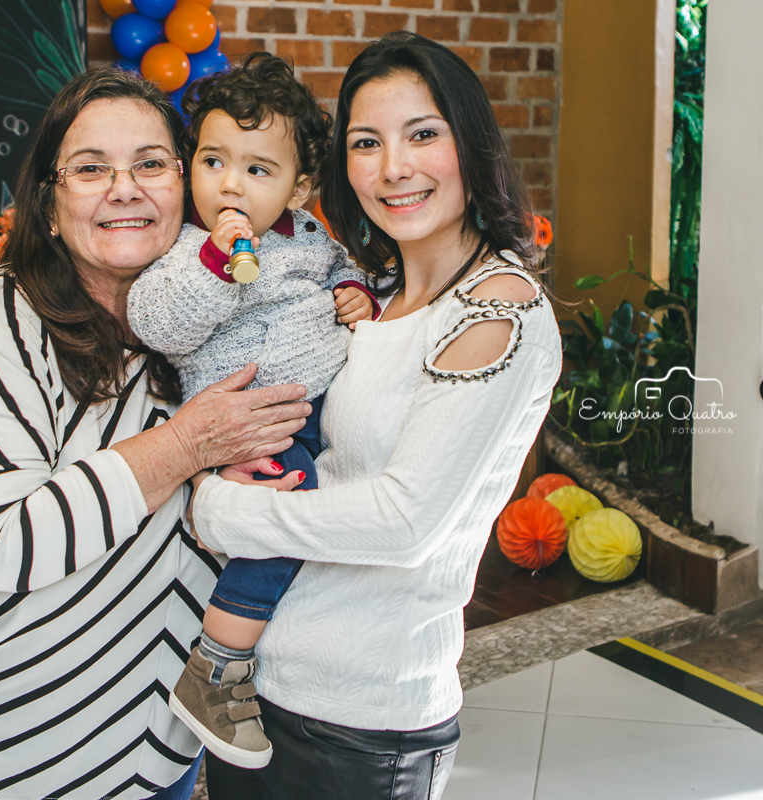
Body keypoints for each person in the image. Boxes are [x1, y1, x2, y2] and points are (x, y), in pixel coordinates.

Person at [0, 68, 311, 800]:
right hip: (4, 745)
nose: (125, 189)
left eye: (151, 164)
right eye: (90, 169)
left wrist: (222, 483)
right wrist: (184, 449)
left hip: (161, 741)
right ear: (50, 207)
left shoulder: (226, 312)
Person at [195, 32, 563, 800]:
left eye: (422, 134)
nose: (393, 167)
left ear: (470, 143)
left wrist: (221, 509)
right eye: (367, 142)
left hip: (361, 718)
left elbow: (404, 522)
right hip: (264, 682)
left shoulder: (497, 309)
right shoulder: (374, 296)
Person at [127, 53, 375, 769]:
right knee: (285, 518)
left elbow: (343, 269)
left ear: (298, 188)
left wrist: (356, 294)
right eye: (213, 162)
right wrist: (216, 263)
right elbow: (158, 323)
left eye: (257, 170)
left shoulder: (307, 235)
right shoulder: (185, 250)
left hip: (317, 406)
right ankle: (216, 666)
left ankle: (284, 649)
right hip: (251, 421)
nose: (230, 184)